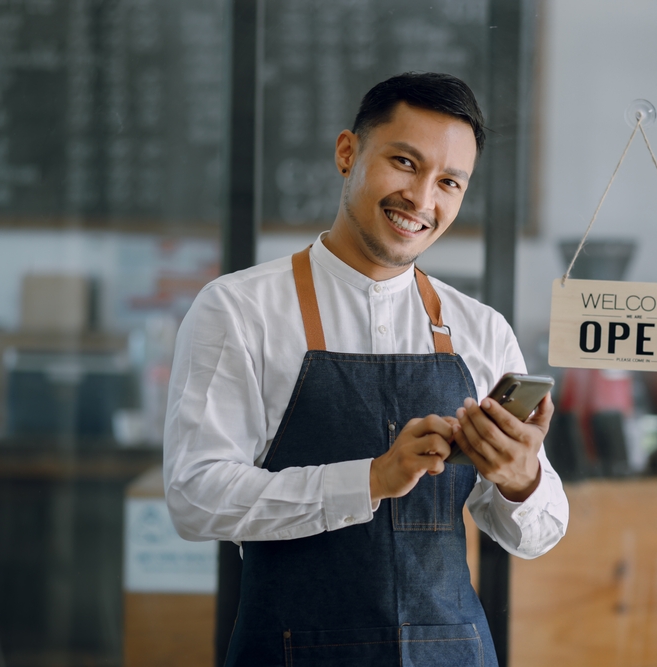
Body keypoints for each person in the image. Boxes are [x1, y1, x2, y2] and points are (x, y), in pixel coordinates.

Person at [164, 72, 569, 667]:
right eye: (405, 162)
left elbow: (535, 536)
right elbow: (194, 497)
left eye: (449, 182)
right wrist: (372, 479)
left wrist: (520, 478)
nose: (423, 199)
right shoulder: (239, 310)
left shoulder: (482, 331)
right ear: (347, 153)